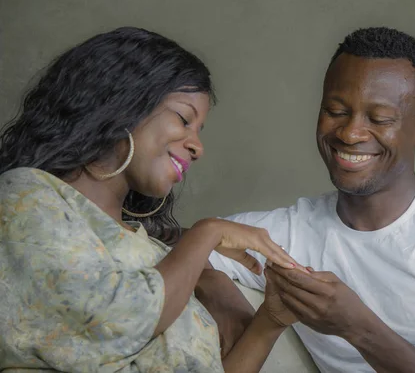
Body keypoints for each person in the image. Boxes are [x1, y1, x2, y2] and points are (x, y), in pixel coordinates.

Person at [208, 27, 415, 372]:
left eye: (380, 118)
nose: (350, 132)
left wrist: (357, 327)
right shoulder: (288, 234)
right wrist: (216, 290)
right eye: (336, 110)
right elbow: (173, 242)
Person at [0, 26, 305, 373]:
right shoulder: (24, 196)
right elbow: (112, 325)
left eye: (199, 130)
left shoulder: (160, 257)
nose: (197, 146)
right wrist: (207, 234)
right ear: (122, 103)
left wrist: (269, 324)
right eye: (184, 119)